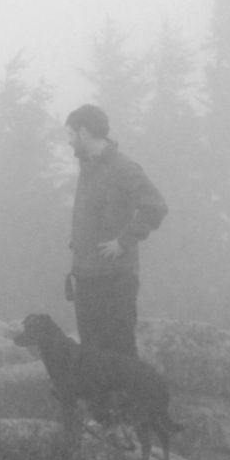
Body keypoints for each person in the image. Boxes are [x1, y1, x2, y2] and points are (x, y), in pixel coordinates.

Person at [65, 104, 167, 359]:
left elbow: (155, 207)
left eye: (70, 134)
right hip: (86, 276)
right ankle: (100, 400)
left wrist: (124, 242)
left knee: (119, 351)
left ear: (84, 132)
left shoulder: (124, 168)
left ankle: (128, 400)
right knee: (91, 352)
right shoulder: (87, 167)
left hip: (116, 278)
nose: (68, 141)